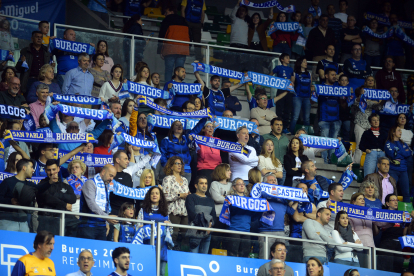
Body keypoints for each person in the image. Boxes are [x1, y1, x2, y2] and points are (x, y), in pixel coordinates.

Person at [36, 159, 78, 236]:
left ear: (58, 169)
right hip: (47, 221)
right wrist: (64, 205)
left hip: (63, 220)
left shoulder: (65, 186)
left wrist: (57, 195)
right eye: (49, 170)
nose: (51, 172)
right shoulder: (42, 184)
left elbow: (73, 199)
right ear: (45, 170)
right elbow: (47, 198)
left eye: (54, 169)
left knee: (77, 224)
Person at [77, 164, 118, 240]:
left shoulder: (105, 186)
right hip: (88, 226)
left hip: (101, 226)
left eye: (113, 177)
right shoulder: (90, 183)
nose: (111, 179)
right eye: (110, 175)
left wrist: (106, 222)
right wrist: (106, 217)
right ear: (103, 172)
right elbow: (91, 204)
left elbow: (105, 207)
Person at [160, 118, 207, 183]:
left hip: (186, 170)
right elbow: (162, 155)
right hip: (173, 170)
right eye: (176, 125)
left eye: (181, 125)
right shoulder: (166, 140)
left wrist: (204, 118)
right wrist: (167, 168)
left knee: (185, 192)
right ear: (172, 128)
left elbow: (196, 129)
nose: (179, 126)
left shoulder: (186, 138)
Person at [137, 186, 171, 275]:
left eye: (157, 193)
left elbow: (170, 232)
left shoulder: (165, 211)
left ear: (160, 196)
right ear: (149, 196)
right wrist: (141, 227)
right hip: (148, 247)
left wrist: (170, 226)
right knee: (148, 272)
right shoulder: (143, 210)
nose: (154, 195)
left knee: (162, 272)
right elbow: (138, 227)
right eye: (152, 193)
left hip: (162, 247)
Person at [258, 173, 292, 259]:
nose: (274, 181)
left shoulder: (282, 198)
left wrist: (297, 200)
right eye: (271, 180)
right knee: (265, 257)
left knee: (280, 258)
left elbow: (290, 211)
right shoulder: (262, 195)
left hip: (280, 232)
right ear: (265, 183)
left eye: (275, 180)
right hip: (266, 231)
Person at [0, 159, 36, 232]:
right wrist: (10, 201)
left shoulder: (31, 185)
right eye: (31, 167)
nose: (33, 170)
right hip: (7, 221)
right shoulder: (7, 182)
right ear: (24, 168)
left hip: (24, 223)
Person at [162, 156, 190, 249]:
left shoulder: (185, 180)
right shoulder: (167, 179)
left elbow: (186, 193)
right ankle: (169, 255)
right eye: (177, 163)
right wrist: (179, 195)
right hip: (173, 211)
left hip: (185, 211)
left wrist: (188, 195)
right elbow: (164, 197)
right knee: (173, 235)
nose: (179, 165)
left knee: (184, 236)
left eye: (181, 163)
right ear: (171, 166)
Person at [351, 76, 380, 164]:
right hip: (359, 124)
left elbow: (378, 107)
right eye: (368, 80)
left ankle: (367, 165)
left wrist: (382, 101)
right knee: (360, 146)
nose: (370, 81)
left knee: (370, 147)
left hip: (369, 125)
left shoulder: (374, 97)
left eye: (372, 80)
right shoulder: (360, 95)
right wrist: (362, 95)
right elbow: (354, 103)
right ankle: (355, 166)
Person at [158, 5, 190, 83]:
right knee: (180, 70)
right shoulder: (184, 21)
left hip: (170, 49)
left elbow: (161, 36)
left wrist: (160, 50)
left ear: (172, 12)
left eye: (166, 12)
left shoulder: (166, 20)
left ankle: (168, 88)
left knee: (169, 70)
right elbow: (190, 36)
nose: (164, 14)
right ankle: (179, 88)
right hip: (183, 49)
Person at [317, 68, 342, 164]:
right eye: (332, 74)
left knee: (333, 142)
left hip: (336, 119)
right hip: (324, 119)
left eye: (335, 75)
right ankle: (324, 162)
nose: (334, 77)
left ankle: (332, 160)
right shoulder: (320, 87)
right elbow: (313, 100)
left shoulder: (339, 88)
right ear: (326, 76)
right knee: (324, 142)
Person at [224, 178, 253, 257]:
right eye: (239, 184)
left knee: (245, 255)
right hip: (234, 230)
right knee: (232, 255)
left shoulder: (250, 200)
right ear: (234, 187)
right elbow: (228, 212)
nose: (242, 185)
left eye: (243, 183)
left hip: (246, 231)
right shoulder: (231, 199)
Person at [185, 176, 215, 253]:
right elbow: (192, 215)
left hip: (207, 233)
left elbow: (213, 216)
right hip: (195, 233)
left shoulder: (210, 200)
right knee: (193, 258)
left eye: (206, 183)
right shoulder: (190, 197)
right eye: (201, 183)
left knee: (204, 259)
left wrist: (210, 227)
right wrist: (206, 226)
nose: (204, 185)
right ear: (196, 185)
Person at [384, 126, 412, 202]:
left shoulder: (403, 143)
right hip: (393, 170)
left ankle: (408, 212)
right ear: (393, 132)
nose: (401, 132)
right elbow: (393, 155)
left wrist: (399, 151)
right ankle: (392, 210)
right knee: (391, 192)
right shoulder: (388, 143)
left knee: (406, 193)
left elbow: (409, 153)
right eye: (399, 130)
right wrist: (403, 152)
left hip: (403, 170)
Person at [270, 53, 293, 133]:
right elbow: (270, 75)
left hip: (288, 91)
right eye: (287, 57)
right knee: (279, 109)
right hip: (280, 91)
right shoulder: (278, 67)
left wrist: (292, 83)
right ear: (282, 59)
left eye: (289, 57)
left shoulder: (291, 69)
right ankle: (277, 127)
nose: (288, 59)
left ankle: (285, 128)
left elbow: (292, 80)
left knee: (287, 110)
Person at [263, 118, 289, 186]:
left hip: (283, 167)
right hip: (270, 166)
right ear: (271, 126)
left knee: (280, 188)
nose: (279, 126)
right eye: (277, 124)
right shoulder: (264, 137)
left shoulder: (286, 139)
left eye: (281, 125)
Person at [196, 122, 222, 187]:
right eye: (208, 126)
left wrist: (239, 146)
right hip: (205, 169)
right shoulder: (199, 139)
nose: (211, 128)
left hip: (217, 170)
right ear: (203, 129)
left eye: (212, 127)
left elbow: (228, 148)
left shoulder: (217, 140)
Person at [291, 57, 312, 134]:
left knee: (307, 118)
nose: (306, 63)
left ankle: (307, 135)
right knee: (295, 117)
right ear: (300, 63)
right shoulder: (294, 73)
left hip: (307, 97)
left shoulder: (309, 73)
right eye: (304, 62)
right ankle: (292, 133)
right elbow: (291, 85)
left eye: (306, 62)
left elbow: (310, 86)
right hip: (297, 97)